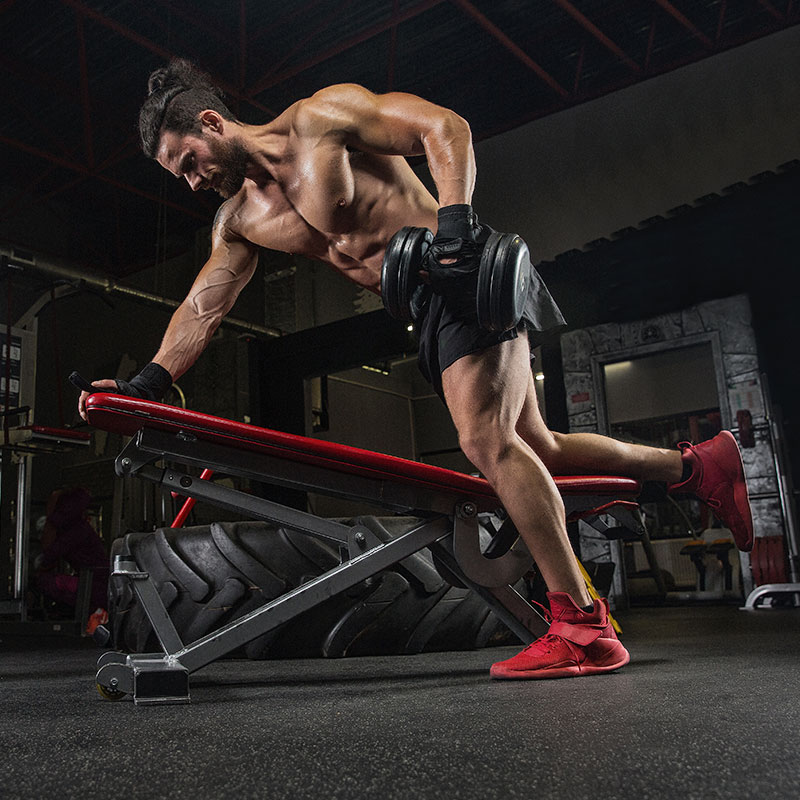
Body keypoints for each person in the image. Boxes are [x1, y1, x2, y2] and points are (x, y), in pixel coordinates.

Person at [77, 59, 753, 680]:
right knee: (535, 447)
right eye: (180, 176)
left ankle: (581, 626)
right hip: (423, 314)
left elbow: (441, 127)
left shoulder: (322, 117)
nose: (193, 181)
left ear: (211, 123)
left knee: (486, 444)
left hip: (458, 277)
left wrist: (454, 223)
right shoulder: (239, 220)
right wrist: (147, 385)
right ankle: (698, 467)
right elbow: (206, 304)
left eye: (187, 161)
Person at [35, 486, 109, 616]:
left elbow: (50, 556)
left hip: (94, 586)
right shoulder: (78, 527)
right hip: (95, 584)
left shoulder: (74, 531)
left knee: (47, 582)